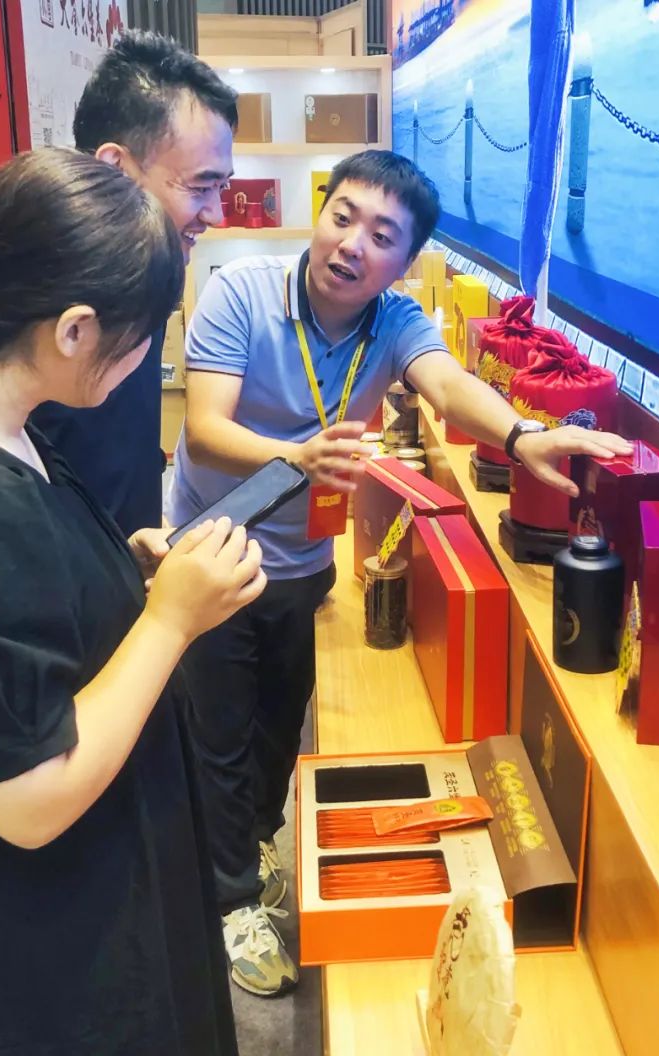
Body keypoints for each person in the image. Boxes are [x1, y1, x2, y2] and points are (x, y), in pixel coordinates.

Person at [167, 149, 634, 995]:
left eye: (382, 236)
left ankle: (251, 845)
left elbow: (448, 388)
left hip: (303, 557)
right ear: (322, 214)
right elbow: (204, 430)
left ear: (407, 259)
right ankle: (230, 900)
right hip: (214, 547)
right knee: (218, 730)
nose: (352, 244)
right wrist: (298, 457)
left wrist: (525, 436)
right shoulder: (241, 292)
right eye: (342, 216)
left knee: (278, 723)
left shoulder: (395, 322)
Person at [0, 148, 265, 1055]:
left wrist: (119, 575)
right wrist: (170, 619)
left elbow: (12, 622)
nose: (149, 358)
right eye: (146, 336)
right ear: (74, 330)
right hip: (22, 969)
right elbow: (28, 798)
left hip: (59, 914)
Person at [29, 30, 236, 536]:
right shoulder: (31, 300)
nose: (216, 213)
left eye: (222, 186)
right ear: (116, 169)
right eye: (200, 186)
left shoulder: (149, 274)